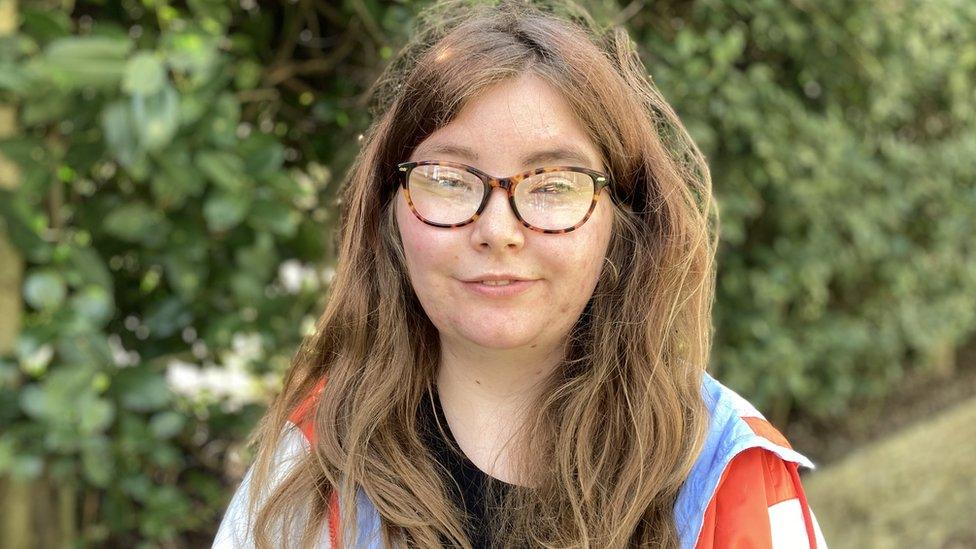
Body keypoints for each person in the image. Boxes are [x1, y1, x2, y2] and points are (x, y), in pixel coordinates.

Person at [213, 0, 829, 547]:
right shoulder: (304, 477)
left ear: (623, 220)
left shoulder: (729, 473)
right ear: (390, 215)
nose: (497, 230)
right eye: (449, 181)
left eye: (553, 185)